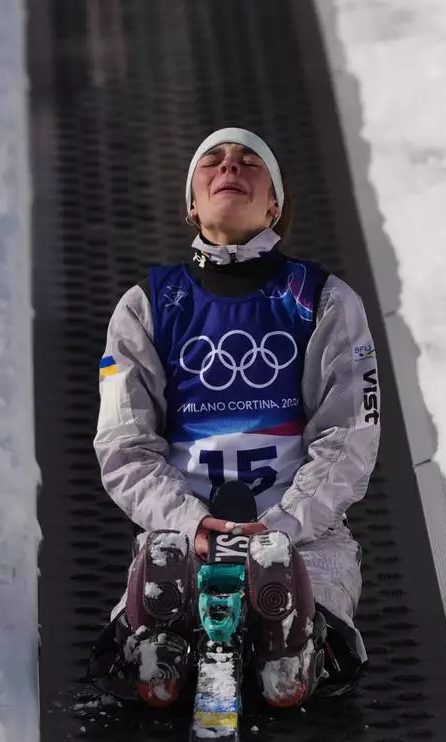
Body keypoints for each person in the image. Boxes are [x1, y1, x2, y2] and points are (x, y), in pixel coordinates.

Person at [87, 127, 380, 709]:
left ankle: (292, 641)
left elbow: (348, 436)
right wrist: (189, 522)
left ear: (274, 204)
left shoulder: (323, 298)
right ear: (191, 204)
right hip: (184, 533)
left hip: (301, 533)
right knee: (155, 582)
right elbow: (124, 444)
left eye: (250, 162)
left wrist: (283, 525)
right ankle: (159, 642)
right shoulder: (145, 305)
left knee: (305, 588)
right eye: (212, 162)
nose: (230, 168)